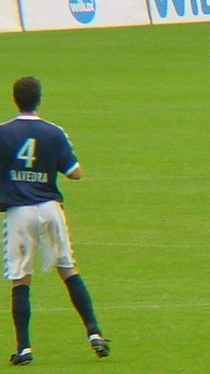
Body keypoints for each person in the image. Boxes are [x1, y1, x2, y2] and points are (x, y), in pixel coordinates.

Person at [0, 77, 110, 366]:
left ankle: (24, 348)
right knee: (68, 268)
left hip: (18, 212)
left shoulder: (3, 133)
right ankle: (95, 333)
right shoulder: (53, 132)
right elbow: (75, 173)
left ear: (15, 100)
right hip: (50, 209)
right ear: (39, 100)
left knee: (21, 277)